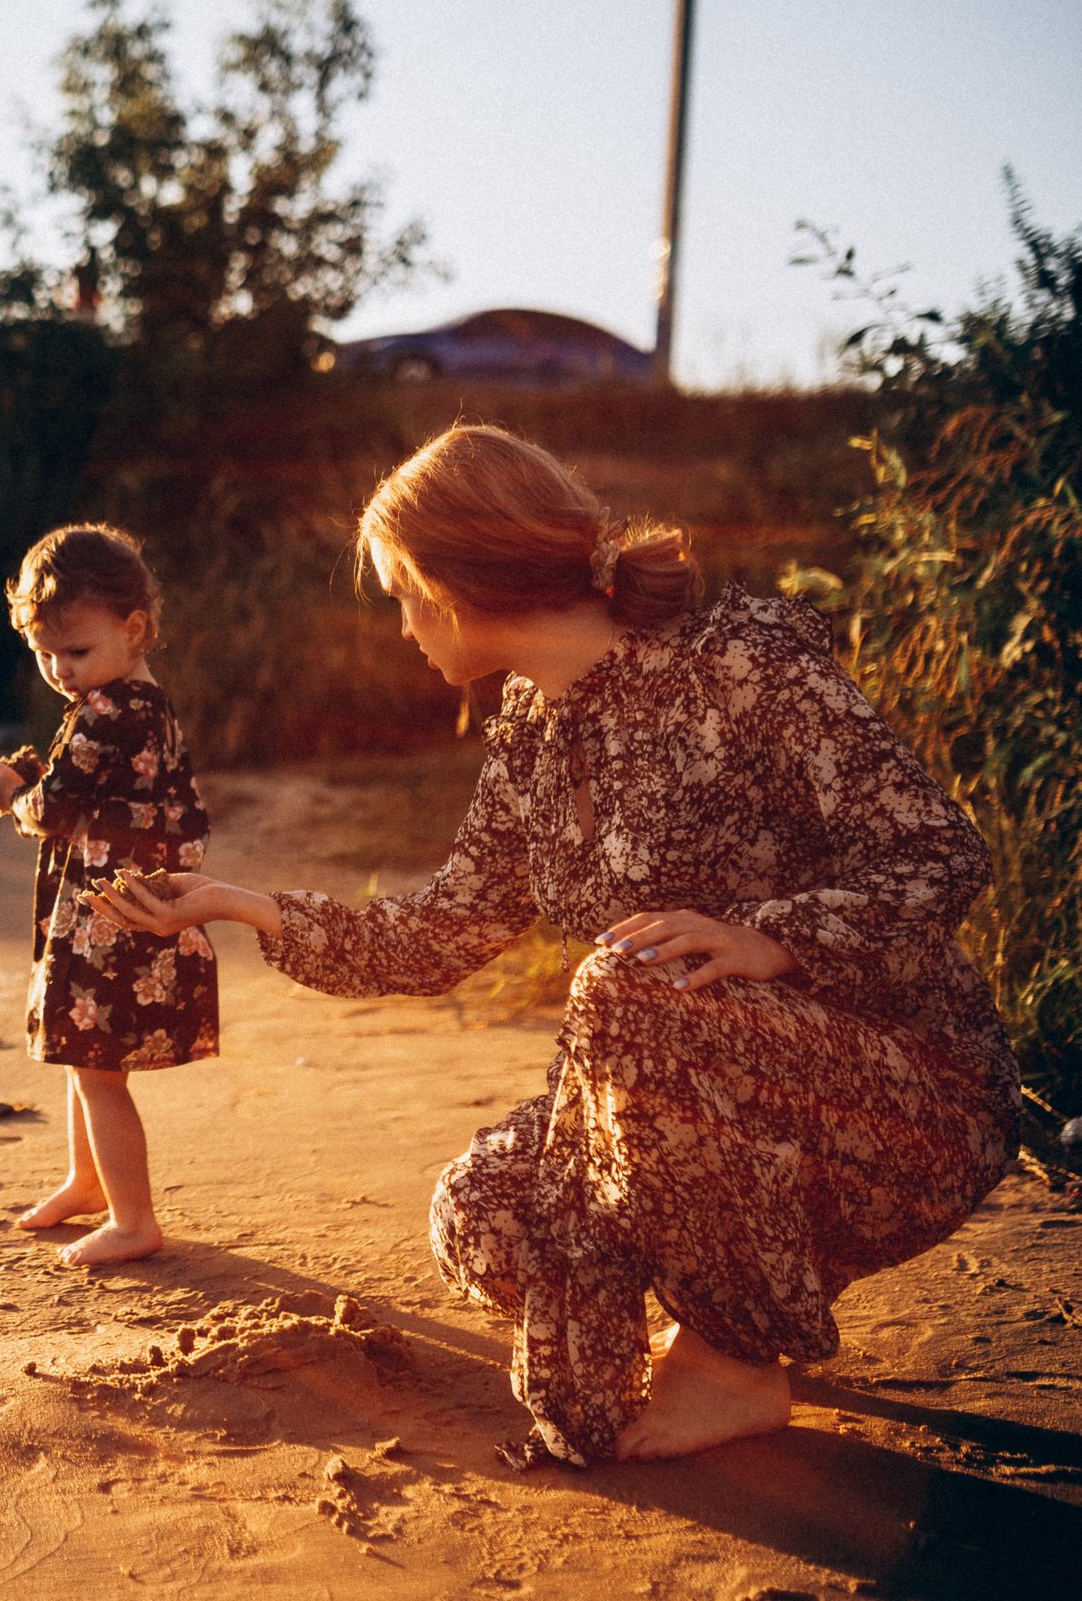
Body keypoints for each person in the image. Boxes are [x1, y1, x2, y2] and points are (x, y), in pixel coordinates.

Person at [89, 425, 1018, 1467]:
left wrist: (769, 939)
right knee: (480, 1216)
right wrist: (239, 905)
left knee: (626, 983)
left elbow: (938, 852)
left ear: (453, 583)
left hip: (903, 1098)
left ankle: (734, 1362)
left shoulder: (738, 663)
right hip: (707, 1108)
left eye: (401, 596)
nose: (401, 626)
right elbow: (445, 929)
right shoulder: (532, 724)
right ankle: (733, 1295)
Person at [0, 524, 221, 1267]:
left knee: (100, 1072)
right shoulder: (131, 700)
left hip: (113, 915)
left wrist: (11, 796)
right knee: (85, 1058)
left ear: (133, 629)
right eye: (44, 654)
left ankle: (133, 1219)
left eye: (76, 652)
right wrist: (30, 774)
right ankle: (87, 1183)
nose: (60, 670)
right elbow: (84, 781)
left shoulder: (112, 711)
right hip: (110, 902)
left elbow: (54, 807)